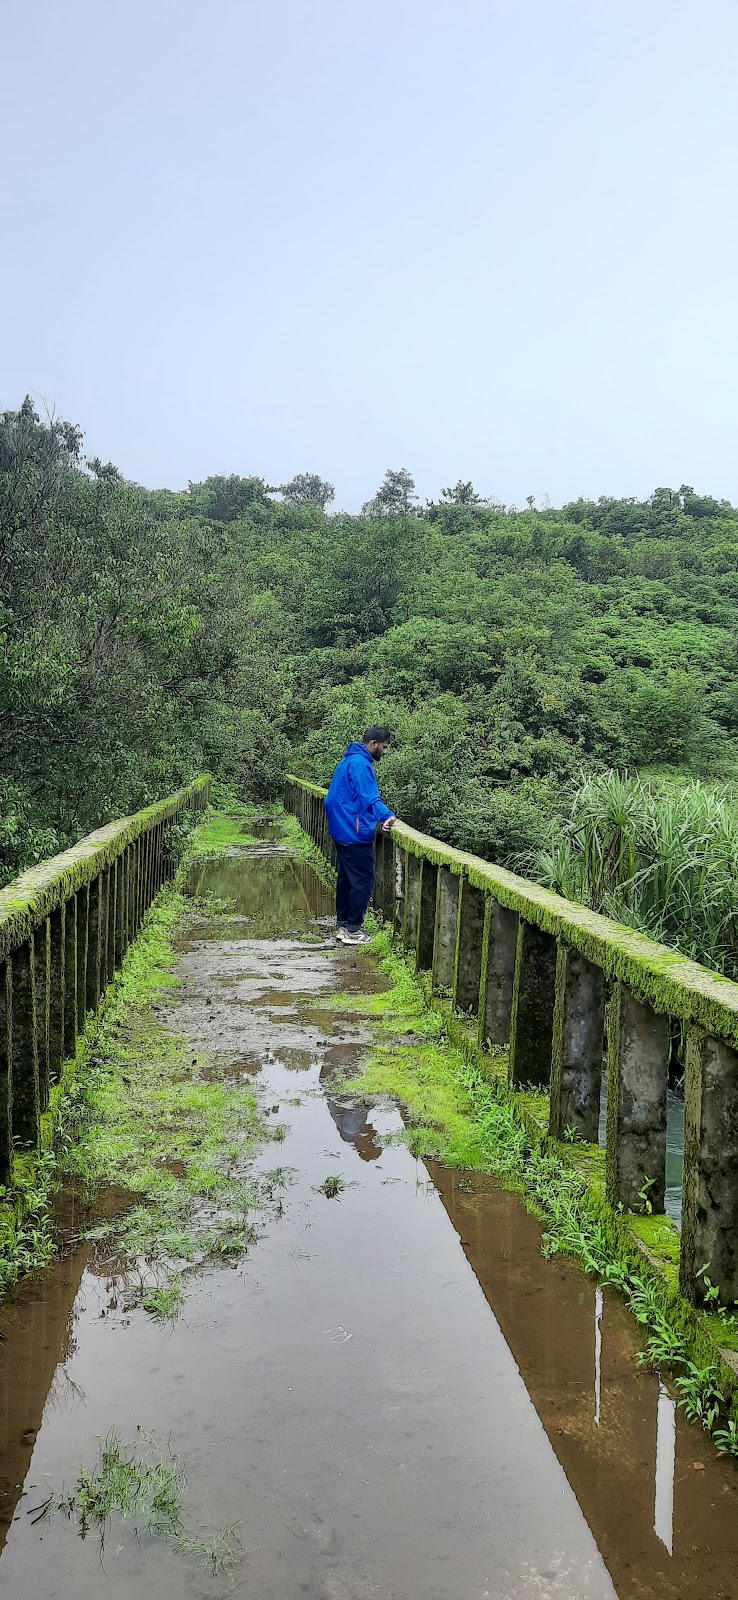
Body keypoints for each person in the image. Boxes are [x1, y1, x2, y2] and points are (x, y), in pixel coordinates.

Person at [324, 726, 397, 944]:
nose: (384, 752)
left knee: (346, 880)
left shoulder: (346, 762)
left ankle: (343, 926)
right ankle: (354, 930)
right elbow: (369, 796)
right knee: (363, 882)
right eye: (384, 747)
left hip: (342, 831)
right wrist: (386, 816)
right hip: (354, 833)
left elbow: (333, 799)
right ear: (373, 744)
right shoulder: (360, 765)